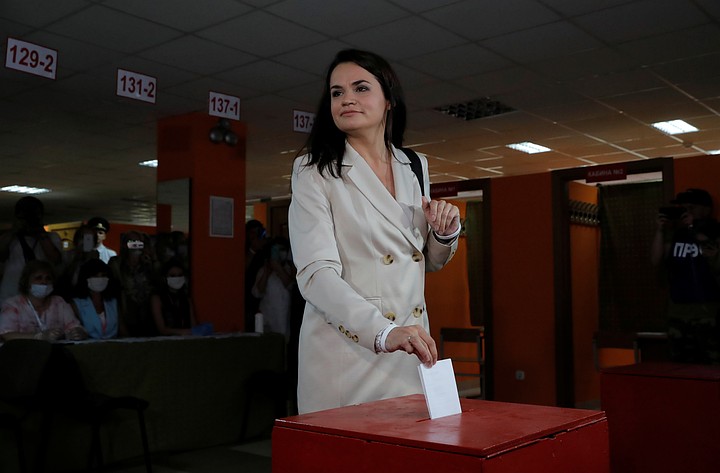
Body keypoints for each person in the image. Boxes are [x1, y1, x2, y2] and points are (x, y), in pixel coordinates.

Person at [288, 49, 460, 414]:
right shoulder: (314, 170)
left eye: (360, 88)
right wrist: (382, 332)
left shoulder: (414, 164)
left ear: (389, 100)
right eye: (336, 92)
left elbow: (424, 262)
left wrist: (443, 233)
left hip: (410, 348)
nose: (346, 99)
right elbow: (316, 274)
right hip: (351, 354)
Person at [652, 188, 720, 364]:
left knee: (710, 364)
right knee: (680, 365)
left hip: (707, 312)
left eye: (691, 208)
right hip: (678, 312)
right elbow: (656, 260)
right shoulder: (677, 234)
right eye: (683, 208)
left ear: (705, 209)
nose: (686, 212)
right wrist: (660, 230)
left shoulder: (714, 233)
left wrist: (695, 228)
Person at [0, 259, 88, 341]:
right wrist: (39, 336)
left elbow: (75, 326)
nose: (44, 282)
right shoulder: (13, 304)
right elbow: (6, 334)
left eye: (48, 278)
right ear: (26, 282)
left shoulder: (59, 302)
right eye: (38, 278)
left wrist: (78, 333)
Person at [0, 196, 63, 304]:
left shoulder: (51, 237)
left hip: (40, 296)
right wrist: (14, 230)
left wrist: (40, 233)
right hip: (11, 294)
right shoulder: (10, 238)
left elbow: (55, 259)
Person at [109, 231, 158, 337]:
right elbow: (115, 286)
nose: (135, 245)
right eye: (131, 241)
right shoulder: (116, 263)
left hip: (149, 315)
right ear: (124, 244)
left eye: (138, 242)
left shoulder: (148, 264)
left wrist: (151, 260)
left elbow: (158, 283)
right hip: (126, 312)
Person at [251, 237, 296, 338]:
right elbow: (258, 292)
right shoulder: (263, 270)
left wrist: (278, 268)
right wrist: (267, 272)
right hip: (266, 317)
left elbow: (290, 285)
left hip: (282, 319)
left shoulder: (289, 269)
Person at [71, 258, 122, 339]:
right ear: (85, 278)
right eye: (95, 276)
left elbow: (122, 330)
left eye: (103, 275)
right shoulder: (76, 304)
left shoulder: (113, 302)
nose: (100, 279)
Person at [151, 258, 197, 336]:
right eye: (173, 276)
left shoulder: (186, 299)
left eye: (180, 275)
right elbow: (162, 329)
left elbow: (194, 325)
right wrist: (184, 332)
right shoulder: (157, 299)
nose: (177, 278)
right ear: (165, 278)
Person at [244, 219, 267, 331]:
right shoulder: (243, 248)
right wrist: (253, 249)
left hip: (262, 297)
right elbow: (241, 269)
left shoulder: (264, 250)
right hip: (246, 295)